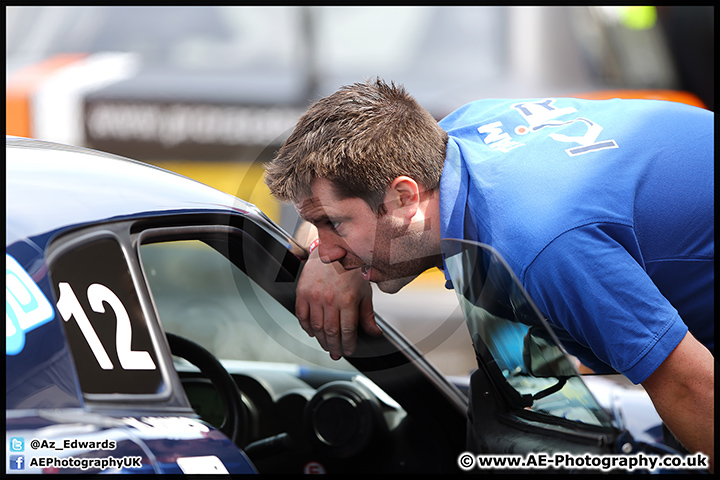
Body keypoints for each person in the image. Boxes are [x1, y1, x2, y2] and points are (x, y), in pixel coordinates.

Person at [264, 78, 714, 470]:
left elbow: (689, 385)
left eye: (333, 223)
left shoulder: (539, 246)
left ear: (404, 198)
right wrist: (334, 250)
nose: (324, 250)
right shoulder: (454, 137)